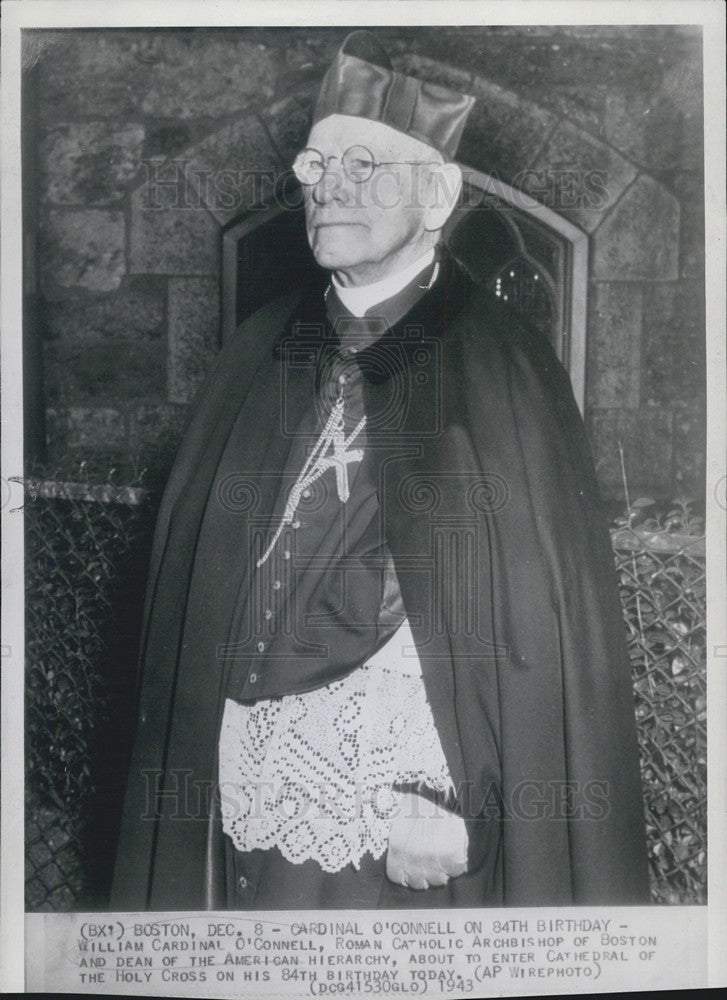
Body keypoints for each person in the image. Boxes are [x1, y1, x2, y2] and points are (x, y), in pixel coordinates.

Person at [111, 30, 649, 910]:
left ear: (437, 198)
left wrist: (455, 796)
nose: (331, 187)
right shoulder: (260, 347)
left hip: (401, 819)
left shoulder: (500, 362)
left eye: (368, 167)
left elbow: (518, 632)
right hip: (228, 781)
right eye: (318, 164)